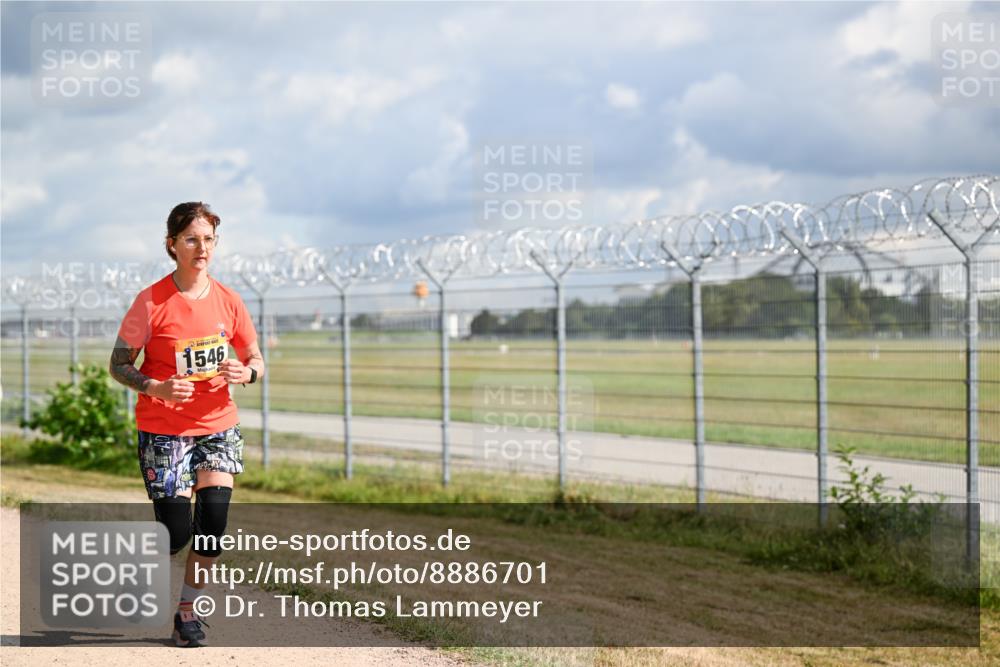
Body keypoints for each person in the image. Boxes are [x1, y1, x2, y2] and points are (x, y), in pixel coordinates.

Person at [109, 202, 265, 648]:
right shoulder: (151, 302)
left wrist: (247, 372)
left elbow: (257, 360)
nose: (202, 248)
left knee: (213, 520)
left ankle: (187, 613)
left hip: (217, 424)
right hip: (163, 429)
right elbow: (119, 364)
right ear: (172, 244)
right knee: (176, 533)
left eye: (210, 239)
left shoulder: (229, 301)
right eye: (192, 239)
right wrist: (155, 387)